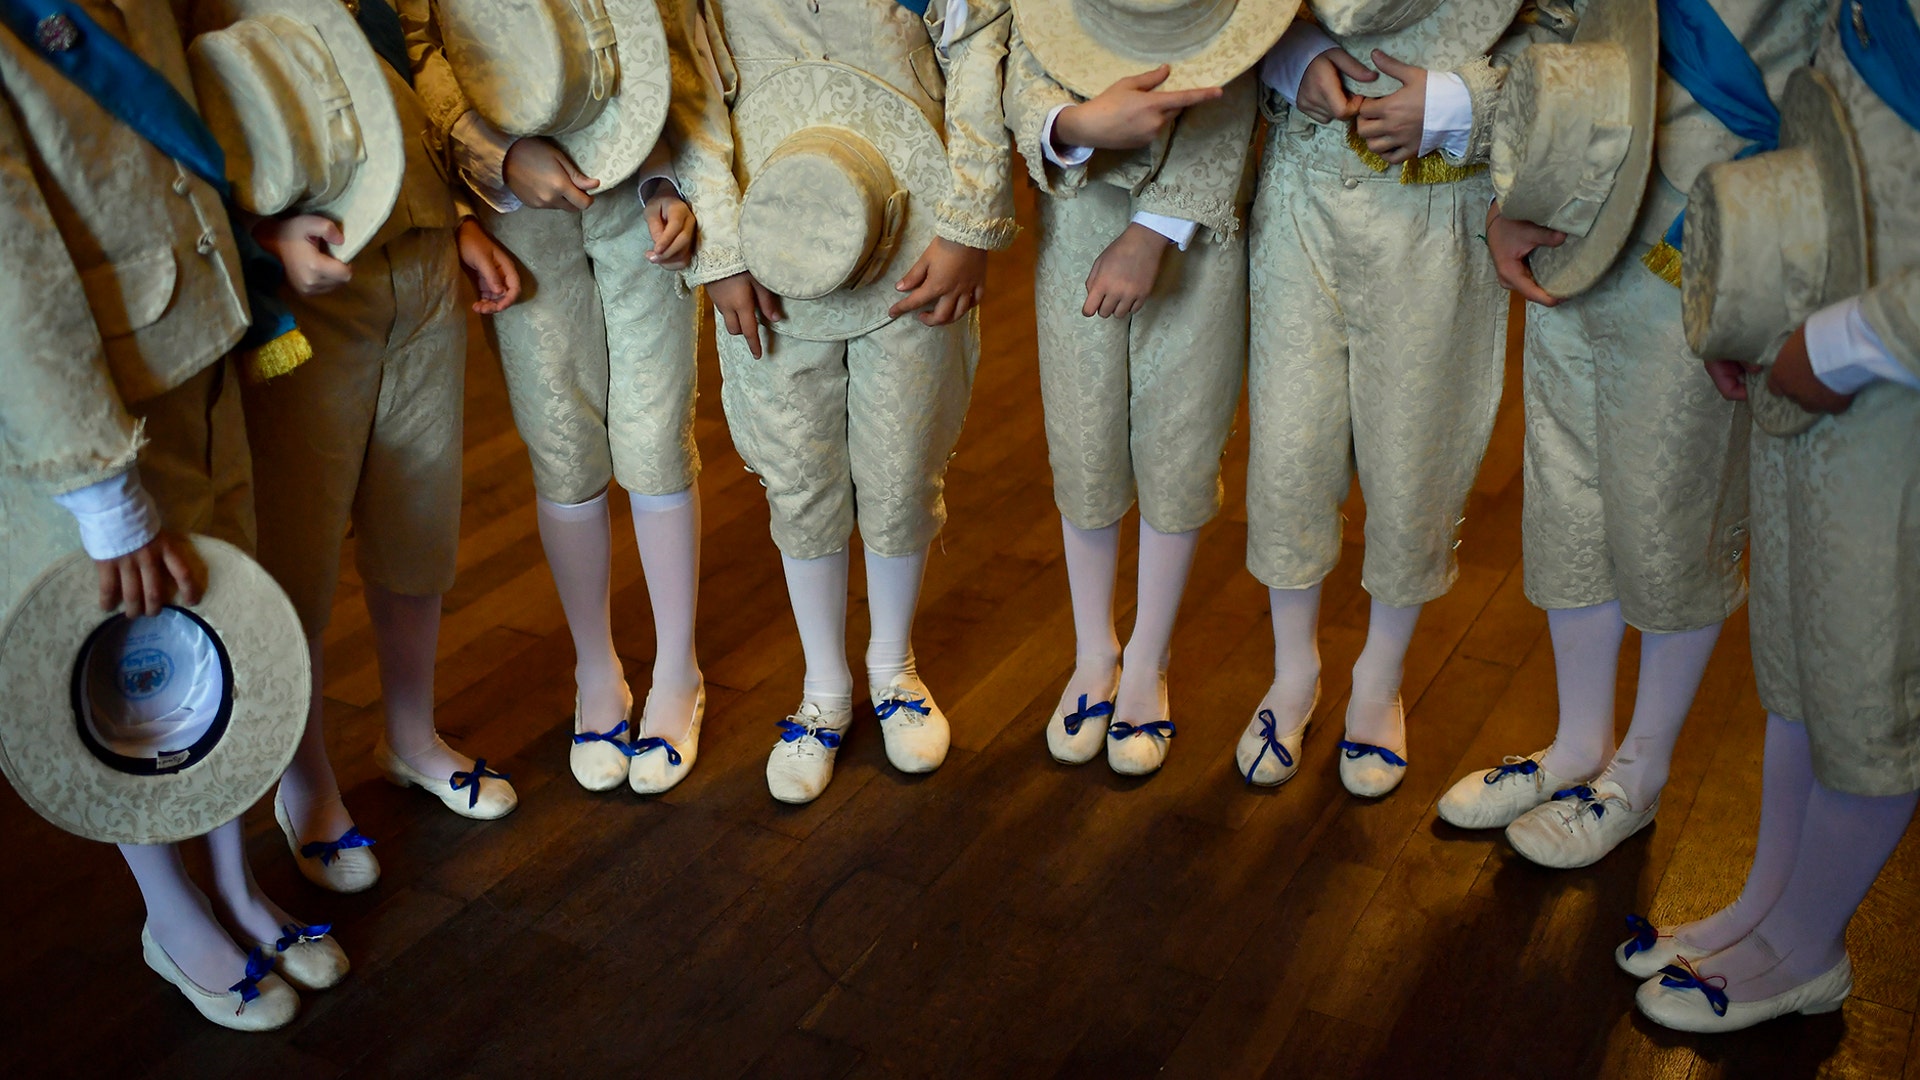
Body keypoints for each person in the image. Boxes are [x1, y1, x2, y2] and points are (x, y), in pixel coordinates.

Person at [0, 0, 345, 1027]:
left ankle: (235, 883)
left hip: (196, 342)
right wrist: (101, 490)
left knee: (215, 645)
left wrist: (256, 237)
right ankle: (170, 907)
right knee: (124, 680)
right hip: (84, 406)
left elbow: (173, 129)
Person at [1441, 0, 1824, 867]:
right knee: (1566, 482)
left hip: (1716, 210)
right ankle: (1578, 745)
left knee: (1671, 503)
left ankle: (1639, 774)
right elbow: (1555, 22)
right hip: (1581, 194)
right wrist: (1520, 189)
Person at [1624, 5, 1920, 1029]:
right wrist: (1752, 287)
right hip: (1818, 314)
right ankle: (1772, 903)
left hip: (1889, 358)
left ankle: (1807, 946)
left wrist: (1844, 344)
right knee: (1802, 647)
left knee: (1873, 676)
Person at [690, 0, 1018, 804]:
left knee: (902, 460)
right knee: (798, 464)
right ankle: (824, 685)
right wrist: (722, 247)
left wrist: (970, 219)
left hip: (914, 227)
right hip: (772, 235)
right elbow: (689, 79)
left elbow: (979, 46)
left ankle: (893, 667)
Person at [421, 0, 734, 797]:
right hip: (511, 206)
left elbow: (673, 30)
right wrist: (494, 155)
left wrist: (671, 173)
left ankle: (677, 669)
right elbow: (417, 45)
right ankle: (596, 669)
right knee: (561, 441)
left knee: (657, 430)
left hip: (637, 175)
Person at [249, 0, 525, 896]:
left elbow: (393, 77)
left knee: (418, 515)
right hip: (302, 279)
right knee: (299, 547)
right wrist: (261, 240)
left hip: (420, 255)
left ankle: (410, 735)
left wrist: (457, 219)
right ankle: (305, 780)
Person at [1236, 0, 1525, 797]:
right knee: (1289, 449)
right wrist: (1293, 56)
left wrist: (1457, 100)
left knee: (1416, 455)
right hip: (1303, 181)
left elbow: (1574, 39)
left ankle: (1380, 674)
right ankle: (1293, 671)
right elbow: (1234, 17)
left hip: (1439, 197)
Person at [1000, 0, 1270, 776]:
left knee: (1180, 441)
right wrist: (1075, 126)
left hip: (1197, 236)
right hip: (1077, 212)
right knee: (1082, 436)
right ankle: (1094, 653)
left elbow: (1237, 83)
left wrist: (1155, 231)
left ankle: (1148, 659)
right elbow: (1027, 66)